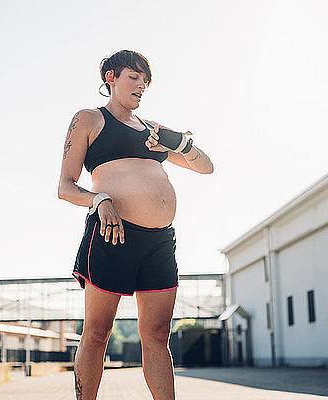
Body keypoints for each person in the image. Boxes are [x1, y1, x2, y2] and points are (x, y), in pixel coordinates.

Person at [57, 50, 214, 400]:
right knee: (97, 333)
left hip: (159, 241)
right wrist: (99, 200)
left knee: (157, 335)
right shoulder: (90, 119)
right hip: (113, 234)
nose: (141, 85)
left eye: (146, 81)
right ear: (111, 77)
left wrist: (182, 143)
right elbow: (65, 187)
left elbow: (206, 167)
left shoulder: (153, 131)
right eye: (134, 76)